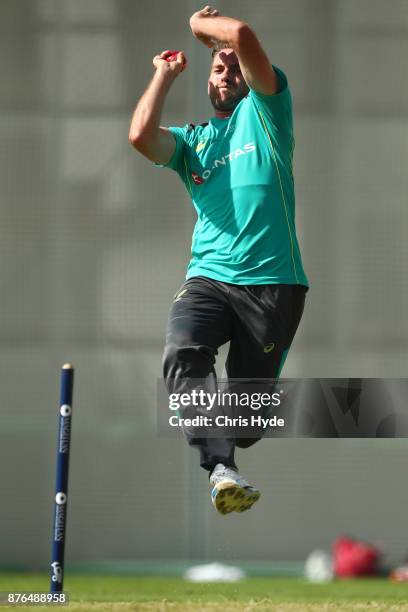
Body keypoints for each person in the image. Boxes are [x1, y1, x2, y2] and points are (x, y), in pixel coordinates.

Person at [129, 5, 309, 515]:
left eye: (234, 67)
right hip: (209, 278)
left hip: (275, 286)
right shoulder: (193, 142)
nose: (225, 72)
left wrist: (201, 29)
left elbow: (242, 34)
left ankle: (233, 445)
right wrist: (163, 74)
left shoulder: (269, 113)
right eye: (217, 68)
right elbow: (141, 136)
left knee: (247, 421)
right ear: (206, 85)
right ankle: (220, 468)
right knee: (183, 349)